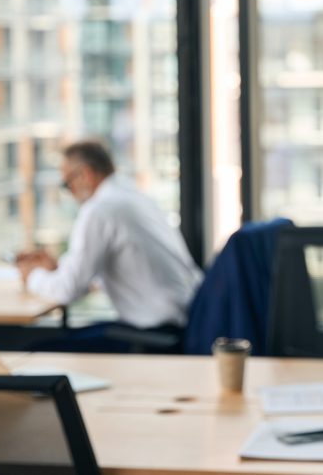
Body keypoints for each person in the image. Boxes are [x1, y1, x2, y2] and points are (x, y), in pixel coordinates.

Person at [17, 139, 203, 352]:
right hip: (182, 323)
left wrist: (32, 275)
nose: (70, 192)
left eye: (67, 184)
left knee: (34, 351)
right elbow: (90, 271)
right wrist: (57, 269)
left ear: (85, 174)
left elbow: (69, 290)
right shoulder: (132, 195)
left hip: (154, 335)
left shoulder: (99, 210)